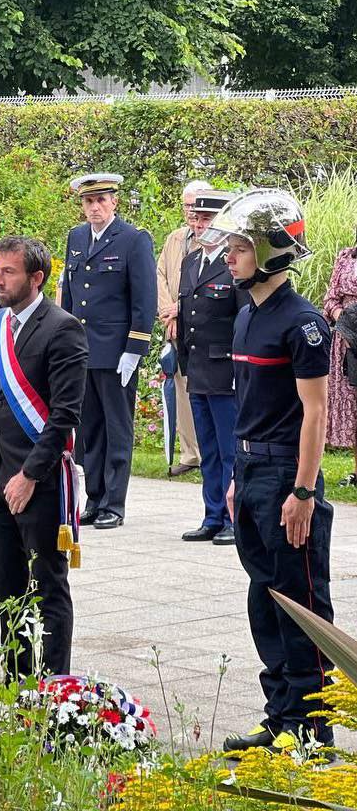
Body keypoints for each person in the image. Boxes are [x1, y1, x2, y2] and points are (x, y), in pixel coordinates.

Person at [201, 189, 335, 753]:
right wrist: (236, 473)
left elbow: (315, 411)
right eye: (228, 245)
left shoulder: (302, 323)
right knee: (264, 597)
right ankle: (280, 715)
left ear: (271, 249)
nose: (228, 256)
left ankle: (312, 728)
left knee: (299, 599)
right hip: (252, 469)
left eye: (238, 246)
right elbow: (252, 403)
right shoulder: (247, 314)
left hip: (287, 477)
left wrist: (303, 490)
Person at [0, 237, 88, 678]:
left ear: (35, 278)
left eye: (8, 272)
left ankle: (56, 688)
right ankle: (17, 684)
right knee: (9, 591)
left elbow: (64, 414)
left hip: (38, 483)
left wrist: (29, 476)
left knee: (49, 590)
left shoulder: (63, 328)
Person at [60, 173, 157, 529]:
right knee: (89, 431)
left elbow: (144, 299)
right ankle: (95, 499)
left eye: (101, 200)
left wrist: (134, 349)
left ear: (114, 201)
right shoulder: (76, 237)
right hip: (82, 352)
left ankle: (114, 504)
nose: (95, 207)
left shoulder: (133, 239)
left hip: (116, 352)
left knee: (117, 429)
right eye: (88, 201)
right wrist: (64, 342)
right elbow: (70, 295)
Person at [177, 190, 246, 546]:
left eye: (207, 219)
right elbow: (186, 315)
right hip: (198, 368)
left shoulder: (233, 264)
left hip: (226, 370)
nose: (200, 225)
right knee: (208, 450)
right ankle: (212, 514)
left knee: (229, 449)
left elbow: (243, 319)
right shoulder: (191, 262)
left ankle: (235, 519)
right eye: (196, 218)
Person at [156, 181, 209, 476]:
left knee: (201, 387)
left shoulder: (215, 238)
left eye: (196, 205)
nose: (191, 211)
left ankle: (207, 451)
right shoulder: (175, 238)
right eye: (187, 205)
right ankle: (190, 454)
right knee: (180, 389)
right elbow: (160, 274)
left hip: (199, 327)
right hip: (173, 328)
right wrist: (169, 313)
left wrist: (180, 309)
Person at [323, 234, 357, 486]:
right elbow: (331, 298)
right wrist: (343, 320)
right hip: (346, 339)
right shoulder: (346, 256)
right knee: (352, 404)